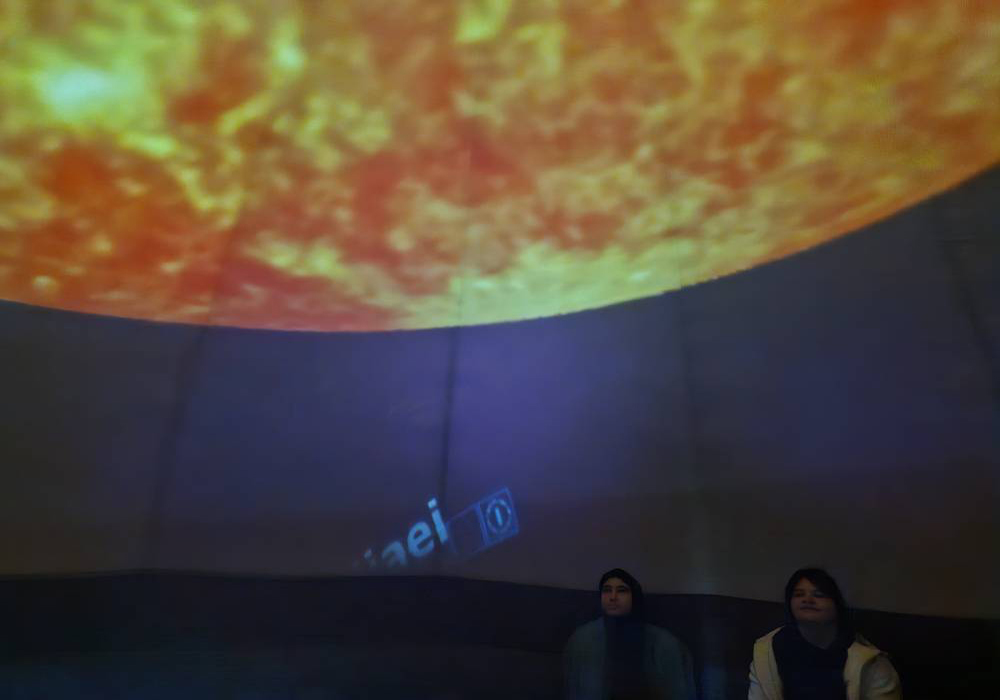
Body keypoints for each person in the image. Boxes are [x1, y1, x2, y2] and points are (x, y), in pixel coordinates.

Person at [748, 567, 901, 700]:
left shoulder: (868, 662)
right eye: (799, 594)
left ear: (836, 605)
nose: (808, 599)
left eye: (819, 595)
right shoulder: (768, 651)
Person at [564, 568, 695, 700]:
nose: (613, 597)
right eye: (607, 590)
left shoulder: (663, 642)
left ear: (634, 596)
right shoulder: (582, 638)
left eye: (622, 591)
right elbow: (572, 689)